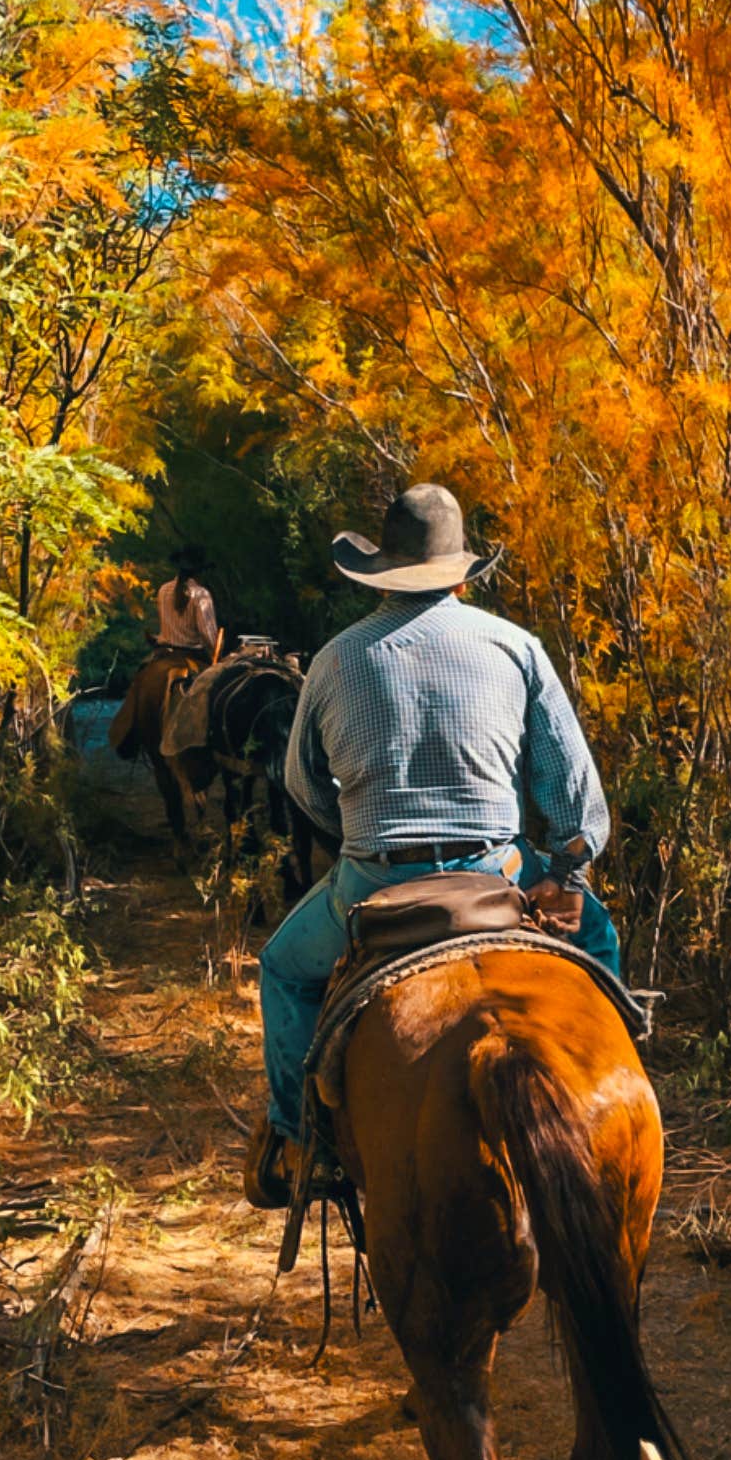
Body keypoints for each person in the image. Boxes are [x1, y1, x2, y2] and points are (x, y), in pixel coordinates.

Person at [244, 481, 622, 1209]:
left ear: (381, 571)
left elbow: (302, 785)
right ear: (460, 572)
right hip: (499, 872)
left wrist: (356, 830)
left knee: (284, 973)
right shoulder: (515, 647)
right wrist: (567, 876)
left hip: (374, 883)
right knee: (597, 943)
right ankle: (612, 1092)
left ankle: (299, 1141)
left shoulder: (332, 659)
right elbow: (573, 794)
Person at [154, 546, 218, 659]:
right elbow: (207, 634)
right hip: (192, 654)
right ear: (200, 571)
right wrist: (216, 651)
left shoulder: (163, 590)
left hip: (164, 652)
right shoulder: (201, 594)